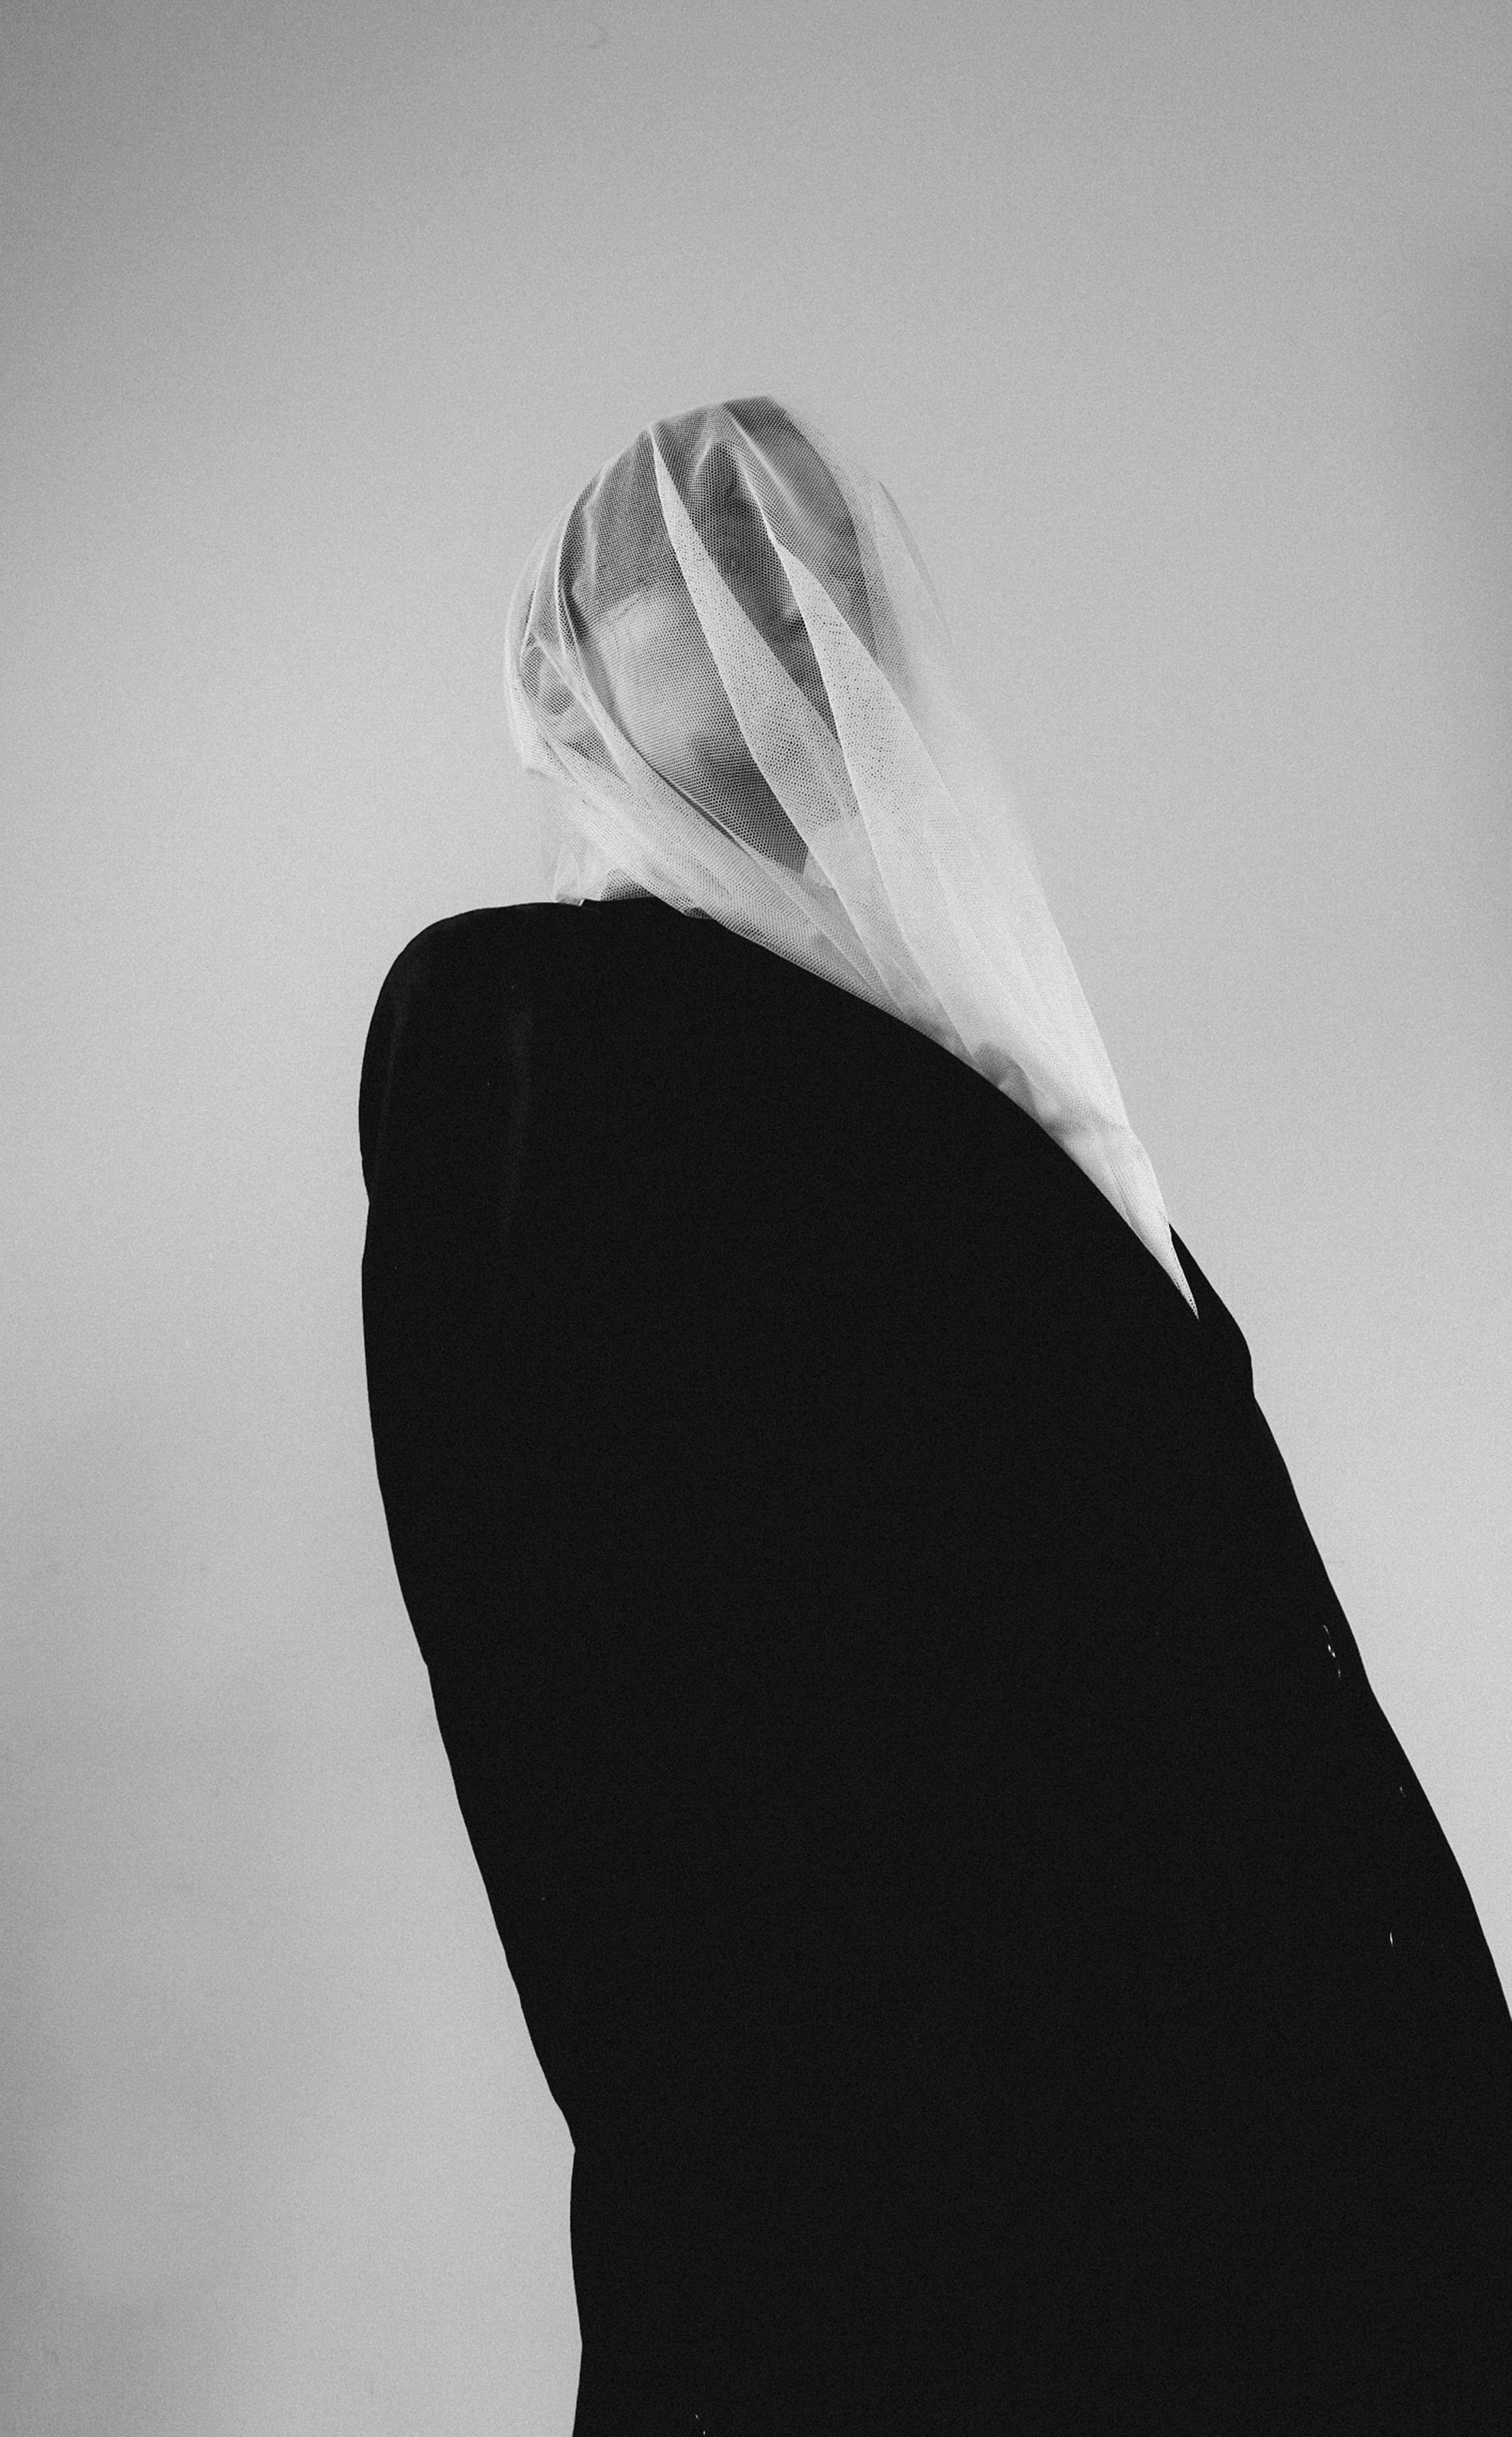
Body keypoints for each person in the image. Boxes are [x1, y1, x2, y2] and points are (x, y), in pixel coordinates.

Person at [361, 397, 1512, 2434]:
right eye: (706, 554)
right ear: (559, 673)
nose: (787, 592)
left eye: (823, 560)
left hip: (1272, 2117)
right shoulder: (524, 1022)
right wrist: (851, 2186)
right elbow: (578, 1682)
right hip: (960, 2182)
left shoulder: (970, 1066)